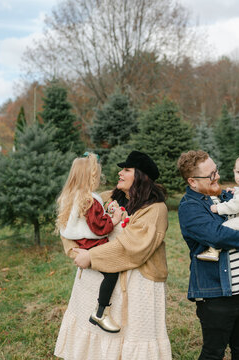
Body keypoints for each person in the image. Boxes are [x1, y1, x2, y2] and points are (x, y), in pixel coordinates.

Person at [55, 151, 172, 360]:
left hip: (137, 284)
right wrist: (74, 251)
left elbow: (132, 248)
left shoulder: (155, 209)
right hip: (97, 281)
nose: (120, 173)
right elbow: (70, 219)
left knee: (129, 336)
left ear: (140, 176)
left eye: (126, 170)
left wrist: (90, 257)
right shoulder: (109, 197)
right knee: (97, 335)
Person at [177, 150, 239, 360]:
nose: (217, 176)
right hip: (217, 295)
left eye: (216, 170)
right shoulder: (190, 208)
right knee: (213, 353)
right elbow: (217, 236)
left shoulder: (227, 195)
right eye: (211, 175)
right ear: (192, 181)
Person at [56, 152, 126, 334]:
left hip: (81, 243)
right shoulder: (89, 200)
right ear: (91, 176)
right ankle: (101, 311)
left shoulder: (70, 195)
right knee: (112, 271)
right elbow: (99, 227)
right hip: (92, 246)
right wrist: (115, 219)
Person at [197, 154, 239, 262]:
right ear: (234, 171)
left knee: (224, 228)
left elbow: (235, 207)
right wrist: (236, 190)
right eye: (238, 172)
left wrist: (218, 208)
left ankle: (214, 251)